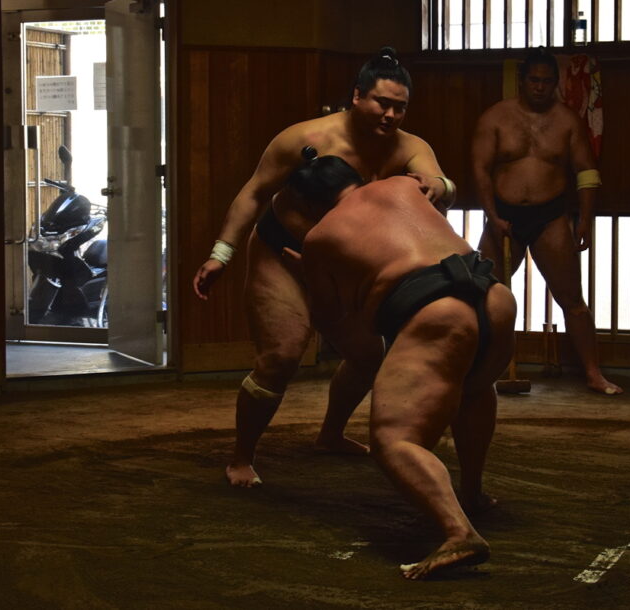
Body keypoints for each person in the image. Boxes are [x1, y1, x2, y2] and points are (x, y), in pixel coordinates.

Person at [192, 47, 457, 487]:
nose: (391, 115)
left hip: (345, 268)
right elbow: (254, 194)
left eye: (400, 107)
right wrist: (221, 253)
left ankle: (331, 435)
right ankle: (242, 456)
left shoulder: (411, 149)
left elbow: (441, 186)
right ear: (356, 95)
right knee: (280, 357)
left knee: (369, 355)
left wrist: (439, 184)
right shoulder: (305, 138)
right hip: (284, 256)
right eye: (382, 103)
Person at [286, 152, 516, 580]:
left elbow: (328, 315)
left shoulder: (319, 237)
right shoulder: (406, 185)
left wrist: (309, 271)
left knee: (393, 438)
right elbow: (435, 198)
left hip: (437, 314)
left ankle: (457, 531)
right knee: (473, 387)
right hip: (495, 298)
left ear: (311, 205)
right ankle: (472, 493)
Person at [471, 47, 622, 395]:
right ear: (523, 81)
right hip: (503, 214)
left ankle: (593, 372)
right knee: (480, 295)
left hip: (550, 215)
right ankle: (473, 368)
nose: (540, 87)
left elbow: (585, 171)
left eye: (547, 81)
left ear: (556, 83)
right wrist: (492, 216)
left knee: (572, 299)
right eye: (534, 80)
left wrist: (585, 218)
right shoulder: (495, 118)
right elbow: (480, 170)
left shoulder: (568, 121)